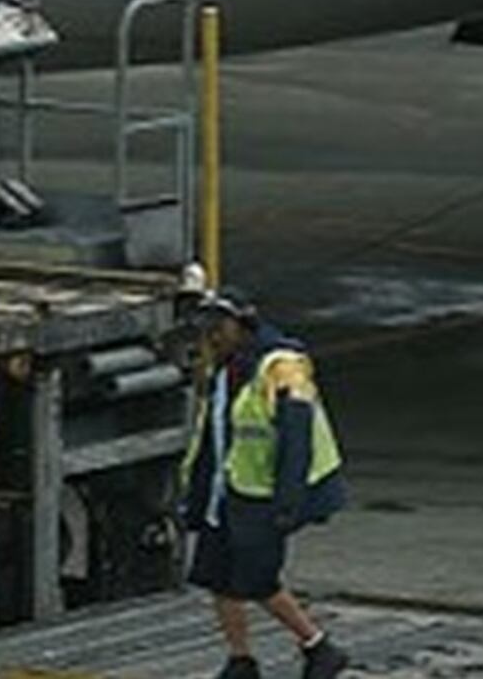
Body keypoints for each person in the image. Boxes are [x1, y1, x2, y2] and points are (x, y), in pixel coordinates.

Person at [177, 290, 351, 679]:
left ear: (242, 325)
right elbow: (213, 435)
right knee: (217, 575)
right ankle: (240, 660)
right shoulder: (227, 369)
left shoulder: (283, 367)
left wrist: (289, 500)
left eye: (218, 327)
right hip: (228, 489)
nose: (212, 337)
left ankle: (319, 646)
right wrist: (196, 494)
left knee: (257, 579)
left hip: (264, 494)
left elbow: (297, 439)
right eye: (207, 330)